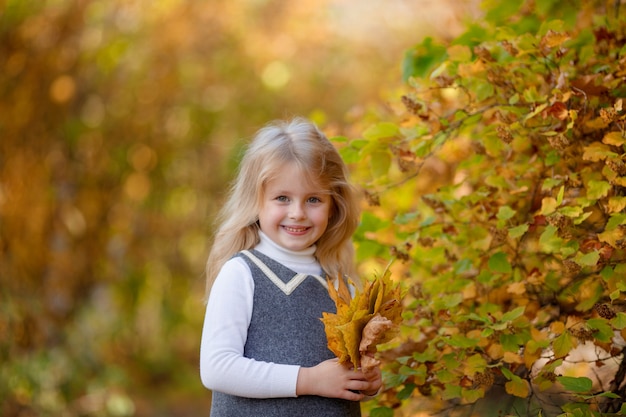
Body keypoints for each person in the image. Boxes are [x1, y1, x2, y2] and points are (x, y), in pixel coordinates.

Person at [199, 118, 382, 416]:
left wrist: (368, 382)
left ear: (333, 204)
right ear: (256, 200)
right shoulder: (242, 273)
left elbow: (344, 378)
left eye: (313, 199)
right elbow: (217, 368)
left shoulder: (341, 284)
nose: (297, 213)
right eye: (282, 198)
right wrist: (309, 380)